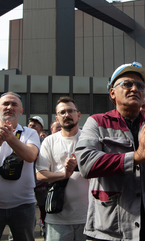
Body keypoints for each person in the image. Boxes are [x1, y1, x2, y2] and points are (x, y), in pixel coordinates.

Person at [75, 62, 145, 241]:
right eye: (127, 84)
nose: (135, 88)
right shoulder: (96, 122)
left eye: (140, 86)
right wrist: (136, 157)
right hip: (109, 230)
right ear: (112, 92)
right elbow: (86, 164)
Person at [0, 92, 40, 240]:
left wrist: (10, 138)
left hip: (23, 205)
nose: (9, 107)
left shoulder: (29, 133)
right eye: (6, 104)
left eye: (14, 104)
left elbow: (30, 156)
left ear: (21, 111)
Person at [36, 97, 89, 241]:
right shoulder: (49, 141)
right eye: (62, 112)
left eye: (71, 111)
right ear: (57, 118)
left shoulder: (90, 138)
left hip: (89, 216)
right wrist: (64, 174)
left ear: (78, 115)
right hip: (57, 219)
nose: (67, 115)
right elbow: (40, 175)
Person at [28, 115, 47, 237]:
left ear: (40, 128)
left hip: (41, 182)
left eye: (35, 125)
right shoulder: (23, 140)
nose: (31, 127)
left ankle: (45, 228)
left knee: (43, 207)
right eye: (30, 125)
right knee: (27, 210)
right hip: (26, 183)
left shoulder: (45, 143)